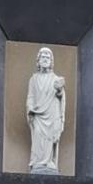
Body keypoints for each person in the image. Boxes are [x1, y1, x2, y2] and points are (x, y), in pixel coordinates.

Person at [27, 45, 65, 173]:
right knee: (38, 138)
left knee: (50, 139)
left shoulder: (56, 79)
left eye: (47, 57)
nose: (45, 59)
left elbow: (61, 98)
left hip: (52, 114)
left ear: (51, 61)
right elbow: (30, 96)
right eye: (43, 57)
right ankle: (38, 162)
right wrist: (30, 108)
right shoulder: (33, 79)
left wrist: (59, 90)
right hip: (38, 114)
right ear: (38, 60)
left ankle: (49, 162)